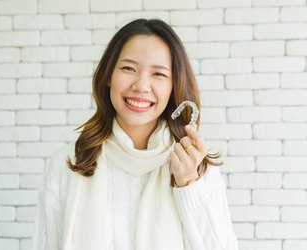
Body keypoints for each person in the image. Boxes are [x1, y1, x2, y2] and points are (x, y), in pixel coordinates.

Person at [31, 18, 238, 250]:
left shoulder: (197, 167)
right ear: (109, 76)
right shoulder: (68, 164)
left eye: (159, 74)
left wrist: (188, 184)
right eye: (129, 68)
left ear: (173, 86)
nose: (141, 85)